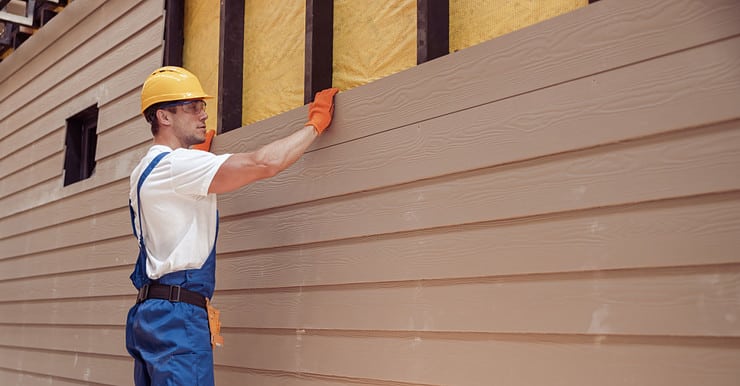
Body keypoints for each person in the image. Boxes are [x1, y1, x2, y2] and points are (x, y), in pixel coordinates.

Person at [125, 66, 338, 385]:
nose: (203, 114)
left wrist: (199, 155)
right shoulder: (176, 166)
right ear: (164, 117)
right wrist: (315, 124)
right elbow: (264, 163)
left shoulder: (145, 170)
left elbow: (180, 202)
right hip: (177, 317)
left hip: (152, 315)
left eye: (203, 106)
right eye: (193, 106)